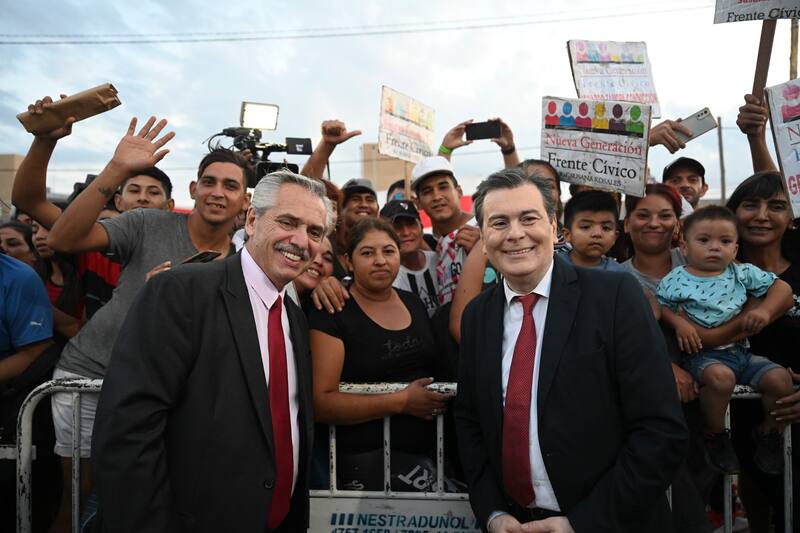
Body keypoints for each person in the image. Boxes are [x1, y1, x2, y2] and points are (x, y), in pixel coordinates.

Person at [37, 116, 245, 532]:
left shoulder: (243, 263)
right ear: (193, 189)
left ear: (245, 200)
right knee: (79, 503)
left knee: (142, 505)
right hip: (91, 381)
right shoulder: (147, 223)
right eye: (209, 181)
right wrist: (117, 169)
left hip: (164, 397)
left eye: (230, 185)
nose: (217, 192)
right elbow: (61, 240)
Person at [92, 170, 329, 532]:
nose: (301, 240)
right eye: (288, 222)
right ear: (252, 219)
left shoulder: (294, 318)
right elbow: (128, 430)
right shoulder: (180, 292)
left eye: (315, 231)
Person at [455, 168, 687, 533]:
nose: (515, 234)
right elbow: (470, 424)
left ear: (552, 228)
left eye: (528, 218)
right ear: (483, 239)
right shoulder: (477, 317)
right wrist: (492, 513)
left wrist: (581, 524)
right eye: (499, 223)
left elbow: (660, 429)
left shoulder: (615, 297)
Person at [307, 218, 450, 491]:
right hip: (363, 463)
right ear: (348, 261)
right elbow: (321, 402)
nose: (380, 261)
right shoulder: (333, 309)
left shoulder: (413, 302)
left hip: (428, 454)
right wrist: (401, 402)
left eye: (388, 251)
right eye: (367, 253)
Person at [656, 206, 793, 476]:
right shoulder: (676, 279)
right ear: (684, 245)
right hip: (702, 357)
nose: (715, 248)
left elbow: (779, 287)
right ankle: (716, 435)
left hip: (742, 352)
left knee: (780, 380)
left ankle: (768, 432)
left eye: (725, 241)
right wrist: (680, 323)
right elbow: (661, 308)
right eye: (704, 240)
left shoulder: (741, 272)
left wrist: (763, 311)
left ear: (735, 248)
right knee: (721, 380)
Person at [725, 171, 800, 533]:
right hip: (741, 418)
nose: (762, 215)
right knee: (766, 502)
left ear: (791, 216)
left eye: (776, 206)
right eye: (750, 205)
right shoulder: (712, 272)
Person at [380, 199, 439, 316]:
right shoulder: (386, 275)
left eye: (411, 224)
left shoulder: (439, 260)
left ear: (421, 228)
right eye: (397, 226)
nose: (406, 232)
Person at [559, 191, 627, 271]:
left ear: (615, 237)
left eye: (606, 228)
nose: (597, 234)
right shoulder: (551, 266)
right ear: (567, 234)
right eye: (586, 227)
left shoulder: (620, 275)